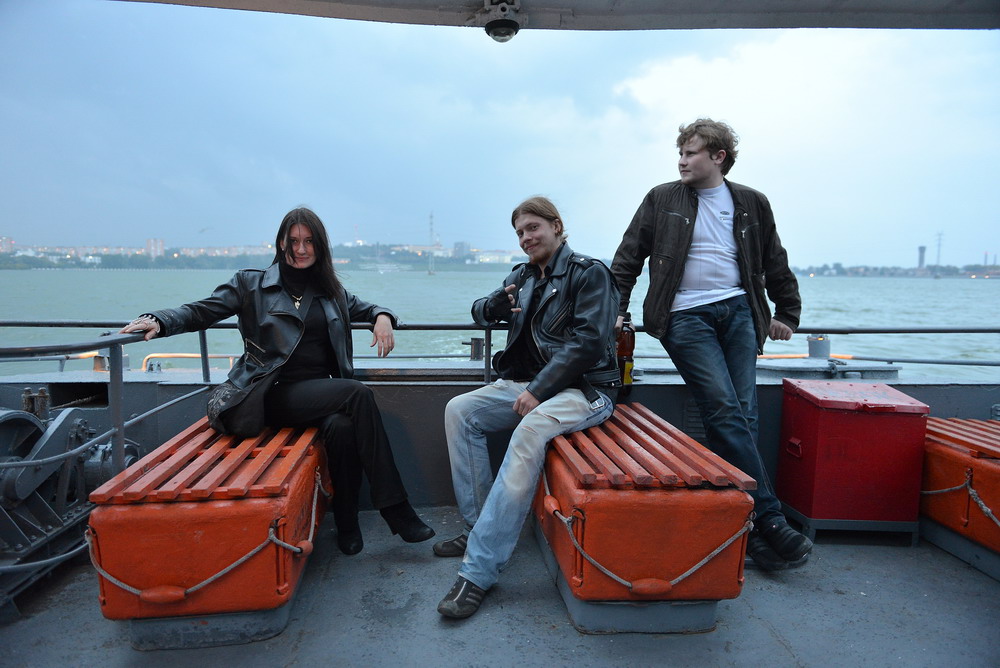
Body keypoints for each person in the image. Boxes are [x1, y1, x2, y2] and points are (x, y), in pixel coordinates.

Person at [120, 207, 434, 556]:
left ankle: (348, 522)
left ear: (320, 246)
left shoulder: (329, 290)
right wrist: (160, 320)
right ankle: (396, 509)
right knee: (356, 393)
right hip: (267, 393)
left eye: (309, 242)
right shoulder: (251, 284)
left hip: (317, 396)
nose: (301, 249)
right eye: (293, 241)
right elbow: (201, 310)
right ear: (280, 243)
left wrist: (383, 316)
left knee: (342, 428)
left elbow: (366, 307)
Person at [610, 119, 811, 572]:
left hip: (740, 311)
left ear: (718, 157)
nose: (682, 161)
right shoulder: (662, 198)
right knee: (723, 407)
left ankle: (747, 531)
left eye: (691, 153)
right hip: (683, 315)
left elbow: (774, 260)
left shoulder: (751, 202)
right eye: (680, 153)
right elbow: (627, 258)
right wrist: (615, 310)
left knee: (745, 413)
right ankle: (770, 517)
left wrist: (786, 312)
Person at [435, 196, 621, 619]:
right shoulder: (522, 276)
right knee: (459, 411)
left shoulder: (589, 273)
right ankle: (479, 528)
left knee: (530, 429)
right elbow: (480, 311)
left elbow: (589, 342)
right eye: (520, 232)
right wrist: (494, 306)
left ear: (556, 225)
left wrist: (539, 390)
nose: (526, 237)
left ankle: (478, 571)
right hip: (530, 384)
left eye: (533, 227)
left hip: (585, 389)